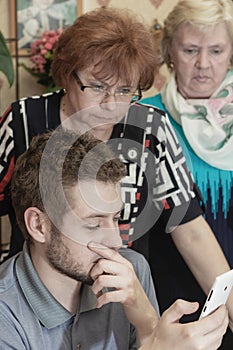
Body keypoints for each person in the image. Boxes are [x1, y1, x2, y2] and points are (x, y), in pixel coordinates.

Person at [1, 5, 233, 333]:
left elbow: (190, 229)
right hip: (35, 297)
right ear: (68, 76)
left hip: (116, 300)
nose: (111, 105)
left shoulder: (149, 128)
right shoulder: (23, 121)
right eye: (97, 87)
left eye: (124, 90)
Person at [0, 129, 228, 349]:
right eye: (93, 224)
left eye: (116, 218)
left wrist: (145, 318)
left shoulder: (131, 271)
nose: (115, 241)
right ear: (39, 226)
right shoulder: (5, 312)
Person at [142, 0, 233, 346]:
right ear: (169, 52)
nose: (203, 64)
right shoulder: (145, 120)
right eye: (191, 50)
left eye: (217, 50)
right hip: (175, 312)